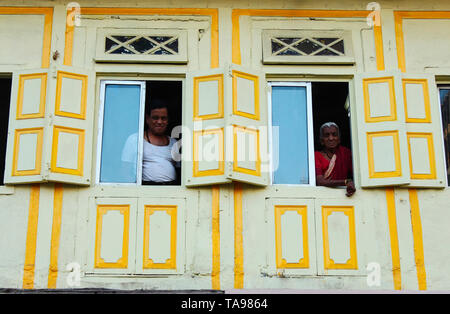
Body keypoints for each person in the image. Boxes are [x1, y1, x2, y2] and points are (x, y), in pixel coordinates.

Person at [141, 99, 180, 185]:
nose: (159, 122)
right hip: (146, 190)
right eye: (155, 118)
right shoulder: (137, 140)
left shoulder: (174, 143)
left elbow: (179, 170)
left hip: (172, 189)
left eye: (163, 118)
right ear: (147, 119)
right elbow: (127, 171)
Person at [315, 122, 355, 197]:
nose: (331, 138)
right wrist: (346, 182)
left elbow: (358, 174)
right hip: (322, 195)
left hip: (343, 196)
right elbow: (320, 182)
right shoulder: (316, 156)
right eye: (327, 135)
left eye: (334, 134)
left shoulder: (346, 153)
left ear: (339, 139)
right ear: (322, 140)